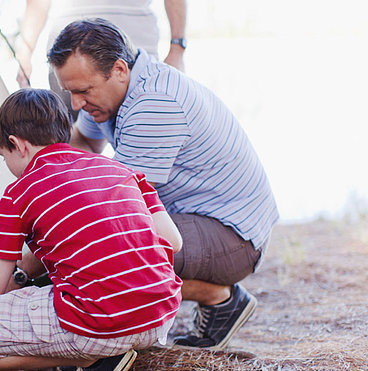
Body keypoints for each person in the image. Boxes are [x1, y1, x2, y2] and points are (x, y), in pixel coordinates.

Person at [47, 19, 279, 353]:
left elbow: (113, 207)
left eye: (83, 91)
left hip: (235, 238)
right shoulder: (114, 89)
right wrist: (46, 174)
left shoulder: (153, 104)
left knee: (111, 248)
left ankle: (219, 298)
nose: (76, 105)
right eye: (71, 92)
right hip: (200, 218)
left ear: (119, 69)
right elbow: (83, 141)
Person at [0, 88, 183, 371]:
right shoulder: (123, 171)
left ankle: (94, 360)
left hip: (97, 322)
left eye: (4, 157)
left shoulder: (19, 193)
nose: (8, 167)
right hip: (159, 314)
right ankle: (106, 351)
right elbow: (172, 242)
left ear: (17, 144)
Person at [16, 0, 187, 119]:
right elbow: (37, 3)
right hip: (66, 59)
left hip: (134, 53)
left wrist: (177, 48)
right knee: (74, 137)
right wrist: (25, 51)